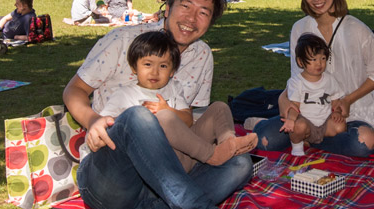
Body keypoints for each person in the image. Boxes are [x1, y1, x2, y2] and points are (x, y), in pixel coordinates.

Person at [63, 0, 260, 209]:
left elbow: (188, 124)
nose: (192, 19)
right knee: (139, 117)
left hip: (164, 176)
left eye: (203, 12)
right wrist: (92, 121)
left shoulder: (202, 56)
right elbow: (73, 90)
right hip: (110, 176)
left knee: (240, 164)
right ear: (168, 8)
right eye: (186, 6)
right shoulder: (124, 39)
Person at [248, 0, 374, 158]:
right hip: (308, 113)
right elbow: (299, 74)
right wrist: (285, 97)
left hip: (348, 114)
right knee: (264, 140)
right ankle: (300, 133)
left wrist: (347, 99)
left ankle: (307, 139)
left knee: (363, 143)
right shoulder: (300, 28)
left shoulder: (357, 30)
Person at [99, 31, 257, 169]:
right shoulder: (124, 94)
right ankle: (213, 156)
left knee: (219, 107)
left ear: (172, 71)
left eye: (163, 66)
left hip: (190, 154)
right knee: (164, 118)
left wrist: (168, 110)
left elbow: (188, 120)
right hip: (159, 162)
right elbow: (106, 124)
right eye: (147, 64)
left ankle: (228, 144)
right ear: (134, 67)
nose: (154, 72)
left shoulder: (173, 88)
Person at [282, 33, 345, 156]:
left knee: (340, 126)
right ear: (300, 62)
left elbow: (336, 100)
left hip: (324, 123)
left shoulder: (330, 80)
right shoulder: (296, 82)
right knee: (298, 126)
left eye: (323, 58)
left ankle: (314, 142)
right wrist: (290, 120)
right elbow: (294, 106)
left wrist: (337, 112)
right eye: (313, 59)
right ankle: (297, 145)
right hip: (306, 123)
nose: (319, 64)